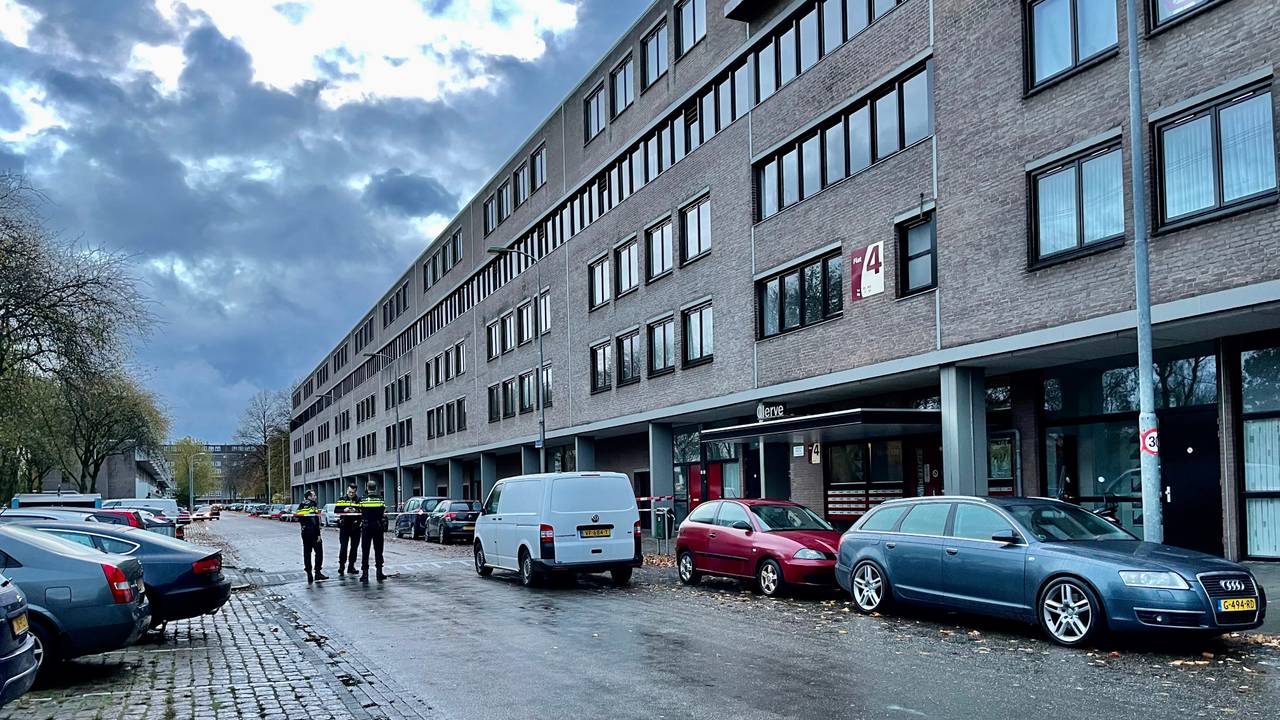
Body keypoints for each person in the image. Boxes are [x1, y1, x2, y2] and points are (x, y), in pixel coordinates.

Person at [294, 490, 328, 584]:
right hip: (313, 532)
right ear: (309, 497)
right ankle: (317, 572)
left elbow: (298, 517)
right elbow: (314, 521)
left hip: (304, 532)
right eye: (314, 495)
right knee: (319, 552)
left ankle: (309, 573)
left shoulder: (301, 505)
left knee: (307, 553)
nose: (316, 497)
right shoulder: (312, 505)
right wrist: (318, 534)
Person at [358, 480, 387, 583]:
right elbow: (383, 512)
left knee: (365, 551)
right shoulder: (380, 499)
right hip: (378, 527)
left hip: (366, 527)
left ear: (367, 488)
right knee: (378, 550)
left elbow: (359, 511)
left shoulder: (363, 499)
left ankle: (365, 575)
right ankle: (379, 573)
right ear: (376, 488)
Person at [335, 484, 361, 575]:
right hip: (344, 526)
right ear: (347, 490)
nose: (351, 494)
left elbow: (362, 511)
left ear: (355, 492)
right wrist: (344, 510)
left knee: (354, 547)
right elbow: (336, 510)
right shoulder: (342, 499)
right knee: (343, 547)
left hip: (355, 527)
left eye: (353, 493)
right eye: (349, 492)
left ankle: (351, 566)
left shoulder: (359, 500)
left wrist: (356, 511)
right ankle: (341, 566)